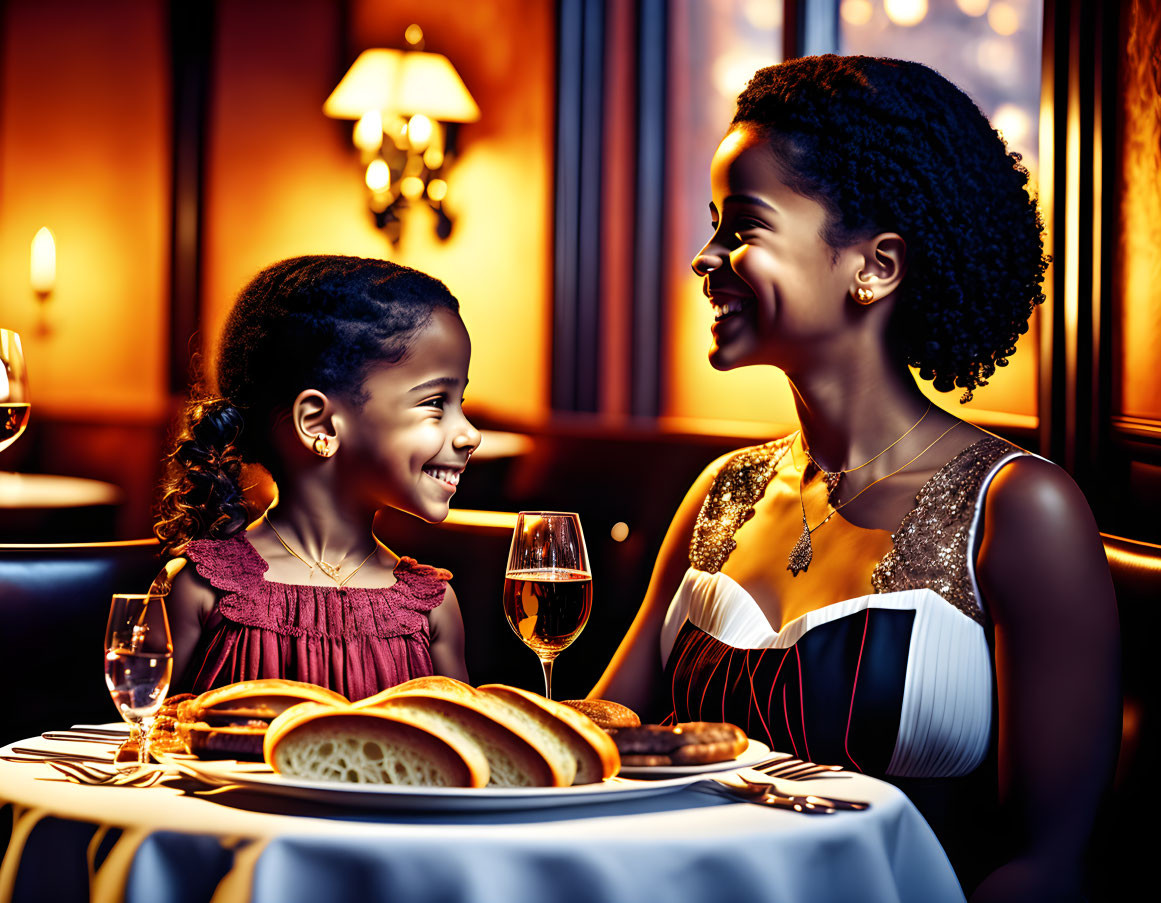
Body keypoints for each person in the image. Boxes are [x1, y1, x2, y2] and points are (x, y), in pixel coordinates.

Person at [593, 56, 1119, 901]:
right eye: (711, 226)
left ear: (874, 266)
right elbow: (600, 747)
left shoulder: (1020, 510)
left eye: (742, 227)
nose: (704, 257)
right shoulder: (721, 491)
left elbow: (1043, 863)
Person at [154, 255, 480, 700]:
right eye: (436, 402)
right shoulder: (199, 591)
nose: (470, 434)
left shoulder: (432, 608)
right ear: (320, 425)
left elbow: (462, 754)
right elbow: (140, 747)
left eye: (461, 400)